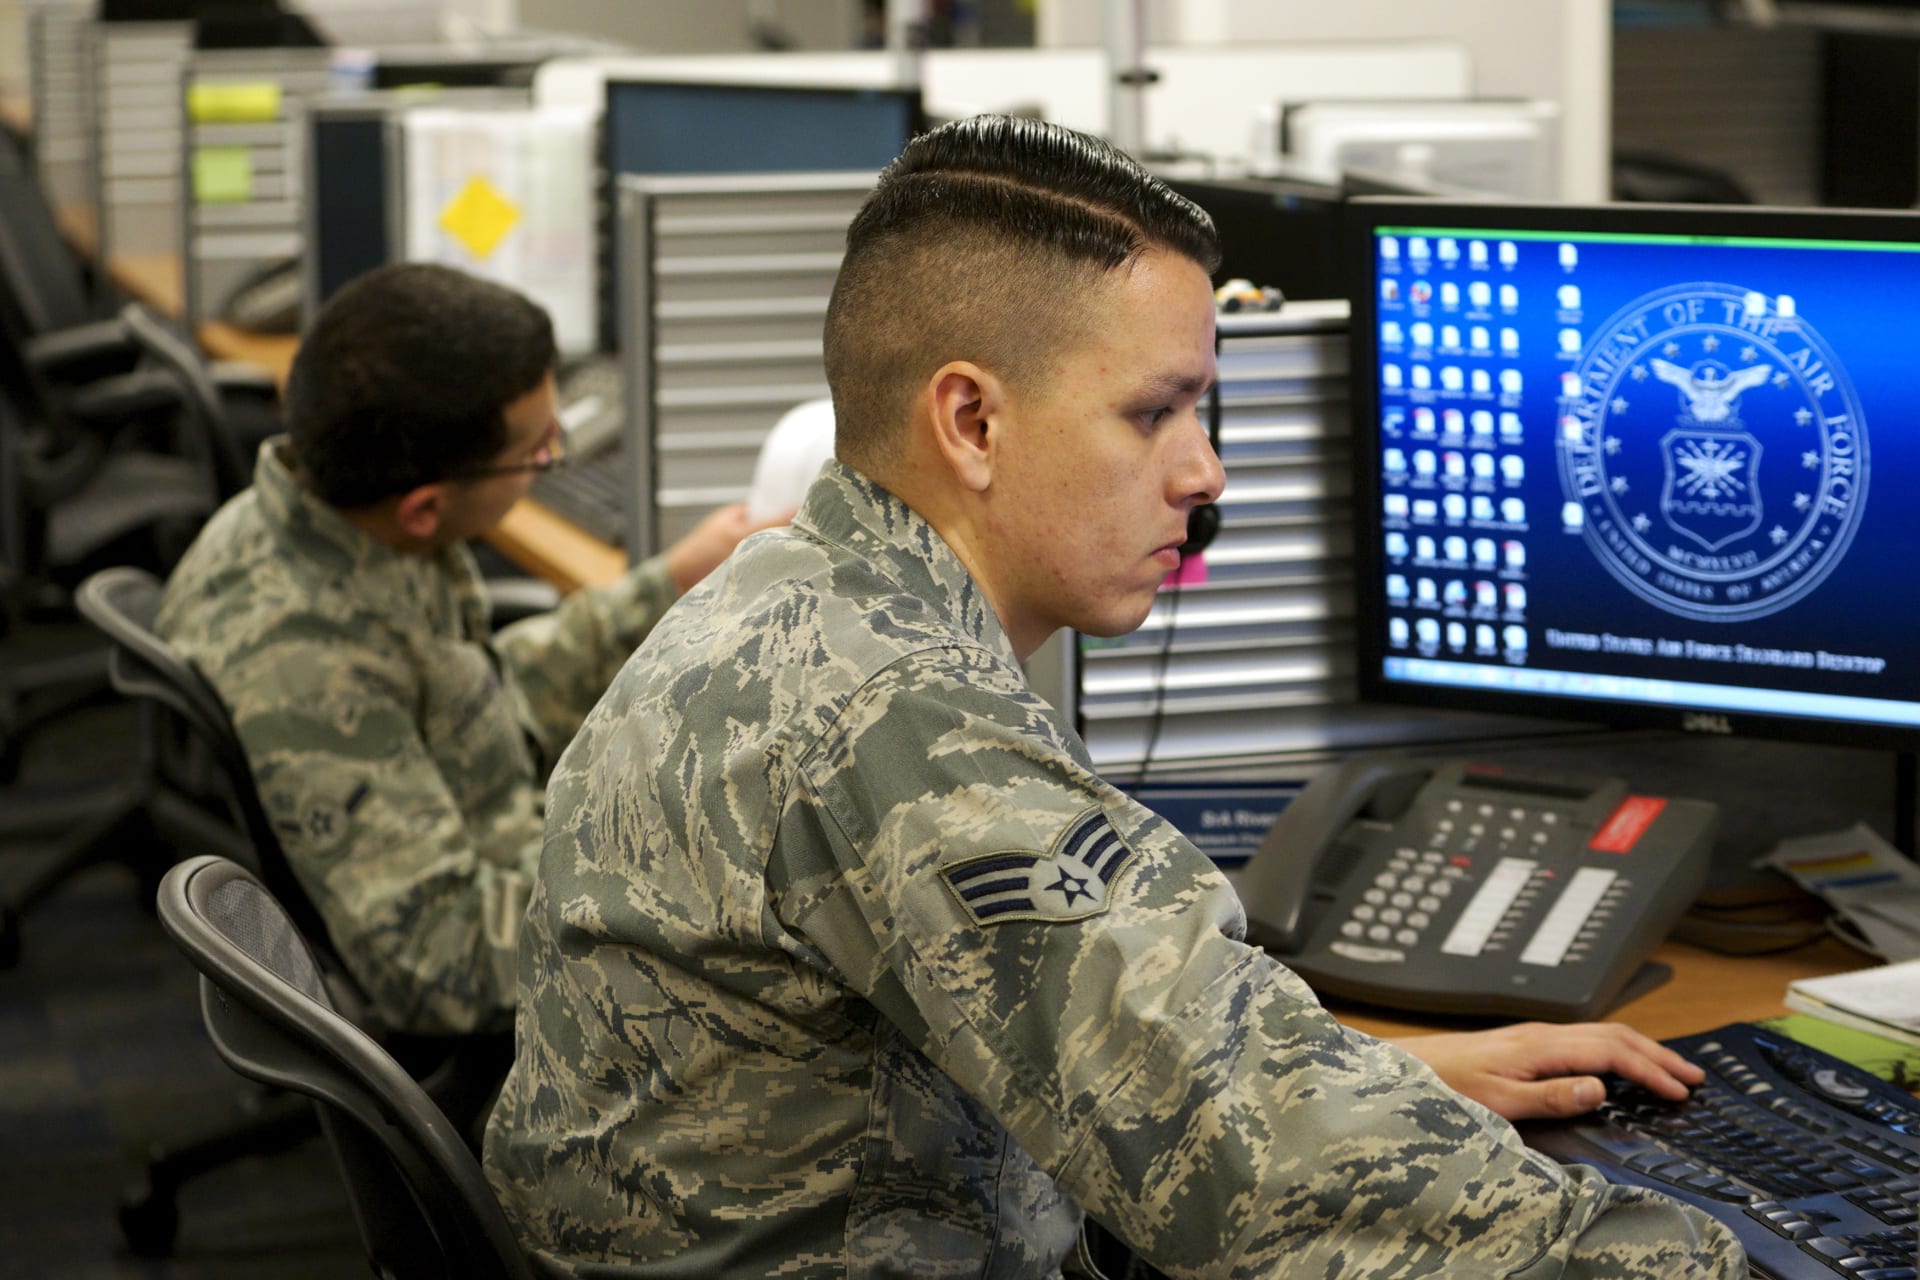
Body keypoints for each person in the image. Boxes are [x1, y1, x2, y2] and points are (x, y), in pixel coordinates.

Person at [483, 117, 1743, 1276]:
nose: (1205, 471)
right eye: (1157, 412)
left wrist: (1367, 1070)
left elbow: (1147, 1054)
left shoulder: (800, 591)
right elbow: (1243, 1151)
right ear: (972, 420)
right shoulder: (893, 708)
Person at [157, 262, 774, 1038]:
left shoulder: (332, 518)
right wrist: (697, 882)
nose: (553, 459)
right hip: (530, 995)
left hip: (526, 849)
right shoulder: (311, 664)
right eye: (536, 453)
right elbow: (443, 961)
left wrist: (670, 584)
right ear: (423, 509)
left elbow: (471, 703)